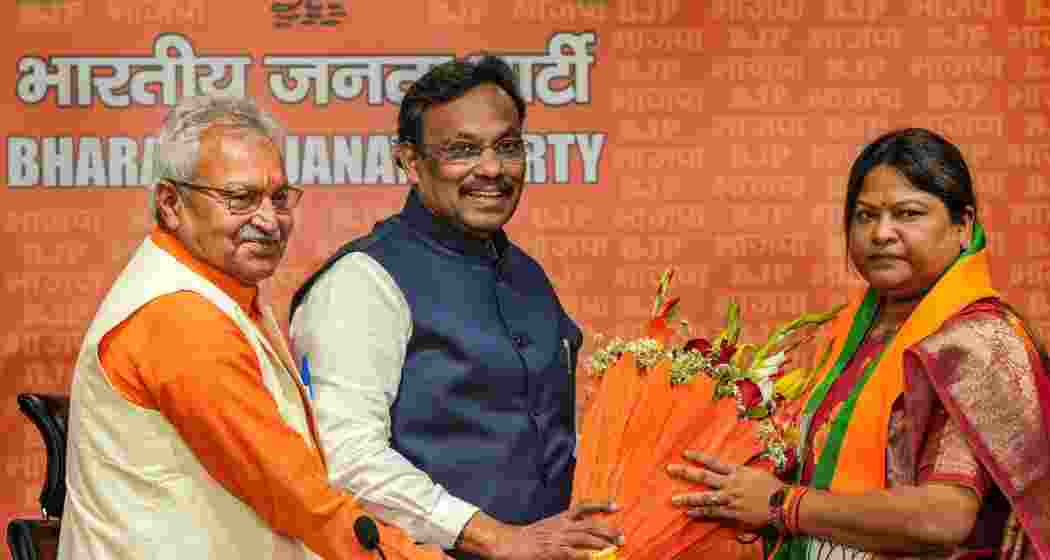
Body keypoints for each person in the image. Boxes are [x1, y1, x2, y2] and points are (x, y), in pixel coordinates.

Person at [58, 94, 445, 560]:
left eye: (279, 197)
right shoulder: (180, 318)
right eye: (240, 199)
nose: (269, 220)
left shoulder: (217, 291)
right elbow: (299, 498)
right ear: (170, 203)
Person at [289, 56, 622, 560]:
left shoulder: (527, 274)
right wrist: (495, 537)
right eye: (462, 150)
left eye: (508, 147)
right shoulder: (362, 282)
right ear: (409, 161)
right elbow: (348, 459)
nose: (491, 169)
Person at [668, 128, 1050, 560]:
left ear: (963, 226)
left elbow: (944, 517)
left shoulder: (979, 341)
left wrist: (781, 504)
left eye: (908, 214)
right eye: (865, 216)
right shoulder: (850, 335)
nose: (881, 233)